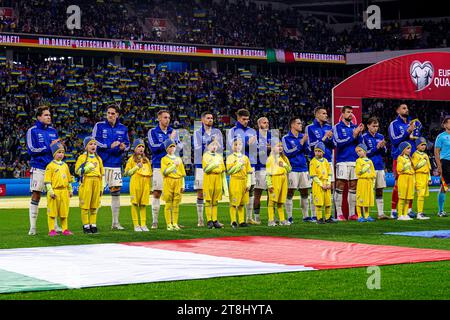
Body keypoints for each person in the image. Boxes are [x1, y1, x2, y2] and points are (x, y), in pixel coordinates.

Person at [92, 104, 130, 230]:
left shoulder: (123, 128)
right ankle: (92, 223)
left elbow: (128, 144)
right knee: (97, 194)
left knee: (116, 193)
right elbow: (94, 141)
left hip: (116, 164)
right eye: (108, 113)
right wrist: (110, 145)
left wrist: (124, 147)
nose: (110, 115)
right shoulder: (99, 126)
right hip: (101, 164)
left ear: (117, 115)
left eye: (113, 113)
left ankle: (115, 223)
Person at [26, 105, 60, 235]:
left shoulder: (53, 131)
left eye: (49, 115)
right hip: (39, 167)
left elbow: (56, 150)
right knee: (36, 195)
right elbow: (31, 150)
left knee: (53, 196)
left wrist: (58, 148)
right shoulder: (32, 131)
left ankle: (55, 226)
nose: (49, 117)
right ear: (39, 117)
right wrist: (49, 147)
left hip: (52, 168)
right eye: (46, 115)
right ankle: (33, 227)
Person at [148, 110, 184, 229]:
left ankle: (174, 222)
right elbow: (153, 148)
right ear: (159, 118)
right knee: (157, 193)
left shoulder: (173, 132)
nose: (167, 119)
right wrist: (169, 139)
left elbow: (180, 147)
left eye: (168, 117)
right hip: (159, 166)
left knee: (174, 196)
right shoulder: (153, 131)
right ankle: (155, 221)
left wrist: (176, 142)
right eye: (165, 117)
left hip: (173, 167)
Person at [388, 104, 421, 219]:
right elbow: (394, 140)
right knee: (398, 185)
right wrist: (408, 132)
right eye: (403, 108)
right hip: (399, 157)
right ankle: (393, 211)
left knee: (410, 185)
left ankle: (409, 210)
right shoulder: (394, 124)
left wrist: (416, 133)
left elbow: (416, 139)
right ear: (397, 110)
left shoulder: (411, 123)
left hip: (411, 157)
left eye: (407, 108)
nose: (406, 110)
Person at [227, 109, 258, 225]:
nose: (246, 121)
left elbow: (256, 146)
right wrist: (246, 142)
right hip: (237, 165)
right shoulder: (232, 131)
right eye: (243, 119)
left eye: (247, 119)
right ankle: (235, 219)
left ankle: (248, 217)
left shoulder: (252, 131)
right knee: (237, 193)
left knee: (250, 190)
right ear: (238, 118)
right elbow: (231, 145)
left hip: (251, 163)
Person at [193, 111, 224, 227]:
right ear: (202, 120)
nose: (210, 120)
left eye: (211, 118)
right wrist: (210, 143)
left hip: (215, 165)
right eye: (208, 118)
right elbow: (197, 148)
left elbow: (220, 148)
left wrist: (215, 144)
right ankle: (201, 219)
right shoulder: (197, 133)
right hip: (201, 166)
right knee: (201, 193)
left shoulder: (218, 132)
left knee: (214, 194)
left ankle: (214, 219)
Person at [333, 106, 364, 221]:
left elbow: (361, 144)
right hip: (342, 161)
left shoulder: (355, 127)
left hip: (354, 160)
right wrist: (353, 135)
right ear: (342, 114)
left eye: (351, 112)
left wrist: (359, 134)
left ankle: (352, 214)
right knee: (340, 186)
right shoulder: (337, 127)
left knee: (353, 187)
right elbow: (339, 143)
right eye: (348, 112)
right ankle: (339, 213)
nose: (350, 114)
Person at [306, 106, 335, 219]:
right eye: (323, 113)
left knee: (329, 186)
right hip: (316, 160)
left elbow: (334, 145)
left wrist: (330, 139)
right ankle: (314, 215)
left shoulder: (329, 127)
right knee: (315, 187)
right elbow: (311, 145)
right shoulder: (310, 128)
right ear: (317, 115)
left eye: (326, 113)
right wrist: (324, 138)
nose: (326, 115)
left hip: (328, 160)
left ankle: (328, 215)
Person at [282, 117, 310, 223]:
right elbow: (288, 152)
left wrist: (305, 143)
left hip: (303, 167)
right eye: (298, 123)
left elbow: (307, 151)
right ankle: (289, 217)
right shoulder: (286, 138)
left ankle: (306, 216)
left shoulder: (303, 136)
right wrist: (301, 143)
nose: (301, 125)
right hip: (292, 168)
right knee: (290, 192)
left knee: (305, 192)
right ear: (292, 125)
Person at [75, 136, 105, 234]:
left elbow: (102, 173)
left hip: (97, 181)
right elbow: (78, 171)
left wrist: (102, 186)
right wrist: (89, 167)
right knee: (85, 206)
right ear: (86, 147)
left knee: (94, 206)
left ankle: (93, 224)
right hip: (86, 181)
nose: (93, 146)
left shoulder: (98, 158)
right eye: (91, 144)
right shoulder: (82, 158)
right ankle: (86, 225)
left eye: (95, 144)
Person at [44, 142, 74, 236]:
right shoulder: (50, 166)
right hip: (55, 192)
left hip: (64, 191)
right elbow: (47, 181)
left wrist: (70, 190)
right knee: (52, 212)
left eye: (62, 152)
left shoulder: (65, 165)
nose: (61, 154)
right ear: (54, 154)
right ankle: (51, 230)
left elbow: (69, 180)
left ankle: (65, 229)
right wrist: (50, 191)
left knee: (64, 212)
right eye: (59, 152)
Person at [362, 117, 388, 219]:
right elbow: (364, 153)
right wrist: (376, 148)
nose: (375, 128)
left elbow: (385, 153)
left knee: (380, 189)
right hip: (369, 167)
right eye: (373, 126)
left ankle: (380, 213)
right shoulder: (363, 137)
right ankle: (366, 214)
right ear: (368, 126)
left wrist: (382, 147)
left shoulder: (380, 136)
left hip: (379, 166)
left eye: (377, 126)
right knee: (368, 190)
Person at [124, 138, 152, 232]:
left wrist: (150, 186)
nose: (141, 148)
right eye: (139, 146)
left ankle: (143, 224)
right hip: (135, 182)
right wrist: (136, 168)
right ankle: (136, 224)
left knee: (143, 204)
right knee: (135, 204)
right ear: (134, 148)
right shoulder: (131, 159)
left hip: (145, 184)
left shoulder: (146, 160)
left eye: (142, 146)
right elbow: (127, 173)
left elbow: (149, 173)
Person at [202, 138, 228, 229]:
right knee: (208, 200)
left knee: (215, 201)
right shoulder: (205, 156)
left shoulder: (219, 157)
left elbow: (222, 169)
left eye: (216, 145)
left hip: (218, 179)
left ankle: (215, 220)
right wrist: (215, 165)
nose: (214, 147)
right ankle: (209, 220)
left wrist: (216, 167)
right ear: (207, 146)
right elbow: (206, 169)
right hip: (209, 179)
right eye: (212, 145)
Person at [226, 137, 252, 229]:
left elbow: (249, 171)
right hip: (235, 181)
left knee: (242, 202)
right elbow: (229, 171)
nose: (238, 146)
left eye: (240, 144)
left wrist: (249, 183)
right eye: (235, 144)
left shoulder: (245, 158)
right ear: (232, 146)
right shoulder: (230, 158)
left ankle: (241, 221)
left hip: (244, 181)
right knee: (234, 203)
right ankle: (233, 221)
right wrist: (238, 165)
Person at [161, 139, 186, 231]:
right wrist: (173, 166)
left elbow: (182, 173)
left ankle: (175, 223)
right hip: (168, 181)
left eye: (173, 146)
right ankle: (169, 224)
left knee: (176, 204)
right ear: (166, 148)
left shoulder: (179, 159)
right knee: (168, 203)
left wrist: (183, 185)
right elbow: (165, 172)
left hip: (178, 182)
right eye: (170, 146)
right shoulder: (164, 159)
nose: (172, 148)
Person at [266, 141, 291, 226]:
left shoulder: (284, 158)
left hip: (284, 179)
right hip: (275, 179)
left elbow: (289, 169)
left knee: (281, 201)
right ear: (273, 148)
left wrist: (284, 165)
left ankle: (282, 220)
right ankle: (271, 220)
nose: (280, 148)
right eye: (278, 146)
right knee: (272, 201)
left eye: (281, 146)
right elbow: (268, 173)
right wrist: (269, 184)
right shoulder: (270, 159)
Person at [254, 117, 272, 225]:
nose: (267, 124)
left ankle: (271, 216)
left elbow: (277, 149)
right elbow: (253, 152)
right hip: (259, 168)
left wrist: (266, 148)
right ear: (259, 124)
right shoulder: (254, 136)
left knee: (272, 194)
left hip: (271, 169)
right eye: (264, 122)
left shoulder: (272, 136)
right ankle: (256, 217)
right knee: (257, 194)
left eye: (268, 122)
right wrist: (267, 148)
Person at [309, 142, 333, 224]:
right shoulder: (313, 162)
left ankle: (328, 217)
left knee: (328, 202)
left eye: (319, 151)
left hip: (326, 183)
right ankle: (319, 218)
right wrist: (321, 184)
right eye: (316, 151)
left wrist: (329, 182)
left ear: (323, 152)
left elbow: (329, 173)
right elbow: (313, 176)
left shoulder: (326, 161)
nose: (317, 153)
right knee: (318, 203)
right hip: (318, 184)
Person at [354, 143, 376, 223]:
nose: (358, 153)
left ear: (365, 151)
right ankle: (360, 216)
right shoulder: (358, 161)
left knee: (367, 199)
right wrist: (365, 168)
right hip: (362, 181)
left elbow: (373, 173)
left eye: (360, 151)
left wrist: (372, 180)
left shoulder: (370, 161)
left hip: (369, 182)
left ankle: (367, 215)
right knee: (360, 198)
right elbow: (358, 172)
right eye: (357, 152)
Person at [412, 137, 431, 220]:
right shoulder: (415, 155)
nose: (423, 146)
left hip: (425, 176)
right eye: (421, 145)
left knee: (423, 195)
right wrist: (422, 162)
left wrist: (429, 178)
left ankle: (421, 212)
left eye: (424, 145)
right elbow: (414, 167)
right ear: (417, 146)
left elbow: (428, 168)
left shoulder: (426, 155)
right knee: (420, 195)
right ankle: (419, 213)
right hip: (419, 176)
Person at [435, 115, 450, 217]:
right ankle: (440, 211)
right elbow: (436, 152)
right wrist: (439, 166)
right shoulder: (441, 137)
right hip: (445, 163)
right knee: (444, 187)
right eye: (449, 122)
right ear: (444, 125)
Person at [396, 142, 415, 221]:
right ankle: (400, 215)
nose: (410, 150)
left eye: (410, 148)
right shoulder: (400, 158)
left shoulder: (410, 158)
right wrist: (406, 166)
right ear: (403, 149)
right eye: (408, 148)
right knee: (402, 197)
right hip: (403, 177)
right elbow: (399, 169)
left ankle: (405, 214)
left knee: (408, 197)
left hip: (410, 178)